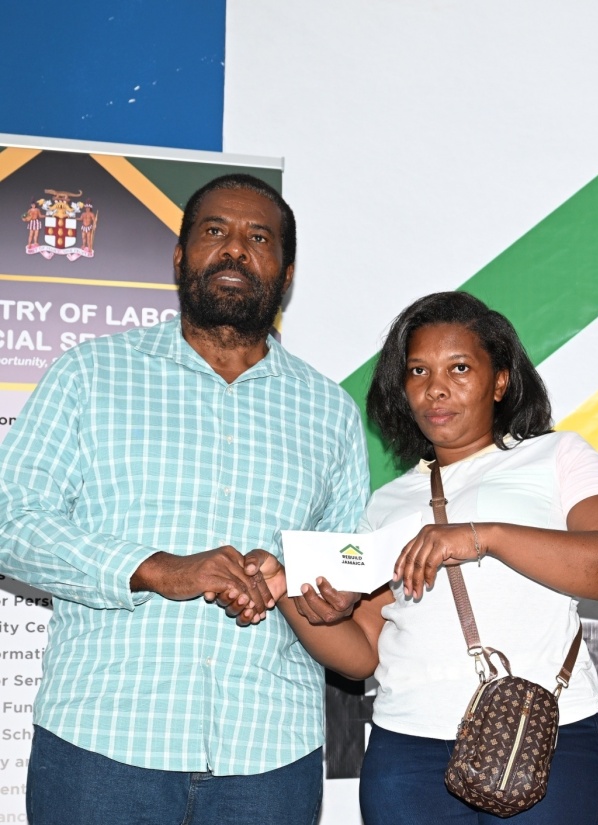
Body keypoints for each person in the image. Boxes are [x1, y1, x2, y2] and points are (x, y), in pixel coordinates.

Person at [0, 173, 370, 824]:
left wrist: (301, 581)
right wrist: (157, 568)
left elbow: (339, 578)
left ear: (286, 275)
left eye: (259, 238)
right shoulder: (90, 373)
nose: (235, 249)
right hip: (102, 746)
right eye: (214, 232)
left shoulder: (330, 412)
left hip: (270, 756)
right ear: (179, 259)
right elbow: (11, 522)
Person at [257, 291, 598, 825]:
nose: (436, 388)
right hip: (407, 754)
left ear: (500, 380)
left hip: (548, 737)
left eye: (459, 367)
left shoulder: (557, 456)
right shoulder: (387, 504)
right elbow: (363, 651)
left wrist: (484, 536)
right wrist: (286, 592)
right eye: (418, 371)